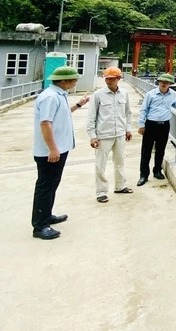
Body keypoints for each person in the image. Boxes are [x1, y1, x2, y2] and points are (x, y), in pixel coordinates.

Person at [32, 66, 90, 240]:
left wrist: (79, 105)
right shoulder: (50, 97)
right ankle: (40, 226)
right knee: (45, 187)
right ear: (63, 81)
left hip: (59, 149)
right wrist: (52, 148)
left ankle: (47, 215)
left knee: (52, 185)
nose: (76, 82)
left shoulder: (59, 95)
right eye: (74, 79)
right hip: (50, 151)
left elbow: (61, 114)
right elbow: (45, 123)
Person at [87, 66, 133, 203]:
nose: (108, 81)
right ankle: (101, 192)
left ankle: (120, 186)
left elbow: (127, 113)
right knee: (100, 164)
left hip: (120, 133)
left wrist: (128, 129)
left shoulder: (124, 94)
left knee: (119, 162)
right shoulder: (98, 95)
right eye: (107, 78)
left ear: (118, 79)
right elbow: (91, 116)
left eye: (112, 79)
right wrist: (92, 136)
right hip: (103, 134)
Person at [136, 73, 176, 186]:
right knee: (146, 151)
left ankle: (157, 171)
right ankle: (144, 175)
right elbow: (143, 109)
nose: (164, 84)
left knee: (160, 149)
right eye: (162, 82)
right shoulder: (151, 94)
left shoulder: (172, 94)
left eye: (166, 82)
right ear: (158, 82)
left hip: (164, 125)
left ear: (170, 84)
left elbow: (173, 102)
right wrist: (141, 125)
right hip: (151, 124)